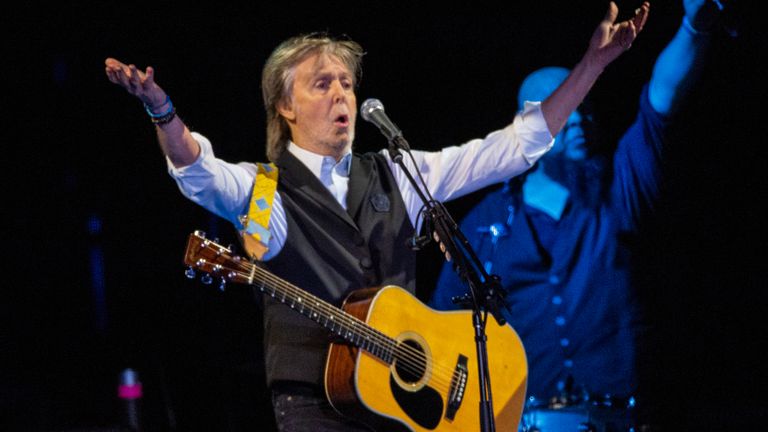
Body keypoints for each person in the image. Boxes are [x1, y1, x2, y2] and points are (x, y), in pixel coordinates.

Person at [105, 2, 649, 430]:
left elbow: (509, 148)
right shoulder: (262, 188)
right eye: (323, 83)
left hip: (402, 400)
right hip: (316, 403)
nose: (342, 93)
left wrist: (593, 65)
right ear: (286, 107)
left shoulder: (398, 171)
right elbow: (200, 170)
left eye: (347, 82)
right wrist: (162, 111)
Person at [429, 0, 722, 430]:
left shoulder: (617, 189)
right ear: (526, 124)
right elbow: (443, 331)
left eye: (584, 104)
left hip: (626, 418)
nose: (580, 118)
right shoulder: (483, 225)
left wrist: (693, 27)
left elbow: (661, 98)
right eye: (564, 108)